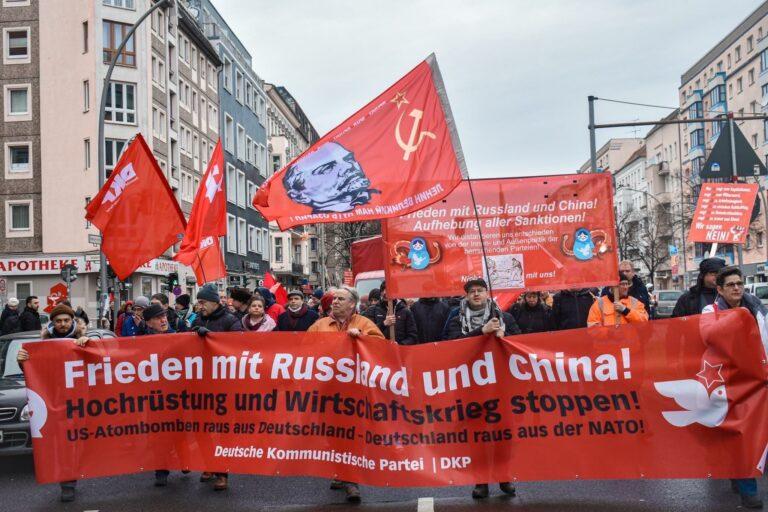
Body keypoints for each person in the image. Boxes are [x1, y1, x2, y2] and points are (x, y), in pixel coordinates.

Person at [442, 278, 519, 498]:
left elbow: (522, 343)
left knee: (503, 433)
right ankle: (481, 480)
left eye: (480, 291)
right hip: (471, 386)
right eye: (472, 291)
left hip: (502, 384)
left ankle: (504, 477)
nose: (476, 294)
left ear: (487, 293)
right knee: (478, 434)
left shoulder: (505, 318)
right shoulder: (455, 319)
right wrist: (481, 332)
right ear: (466, 296)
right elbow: (452, 347)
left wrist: (506, 338)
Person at [307, 285, 385, 503]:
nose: (335, 302)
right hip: (328, 390)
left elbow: (380, 346)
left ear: (352, 304)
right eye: (334, 299)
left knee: (353, 433)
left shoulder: (364, 323)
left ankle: (351, 479)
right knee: (333, 433)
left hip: (355, 392)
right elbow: (303, 351)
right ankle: (341, 471)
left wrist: (361, 338)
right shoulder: (319, 325)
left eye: (341, 299)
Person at [702, 266, 766, 509]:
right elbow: (707, 334)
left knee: (756, 434)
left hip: (757, 377)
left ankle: (739, 474)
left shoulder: (756, 308)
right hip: (729, 381)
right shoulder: (711, 310)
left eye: (739, 283)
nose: (737, 288)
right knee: (742, 436)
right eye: (731, 285)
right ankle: (747, 487)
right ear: (719, 289)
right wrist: (737, 318)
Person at [16, 304, 90, 502]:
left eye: (66, 320)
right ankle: (68, 483)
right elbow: (35, 373)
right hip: (55, 403)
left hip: (82, 402)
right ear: (53, 323)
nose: (63, 324)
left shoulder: (83, 340)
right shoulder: (43, 345)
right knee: (64, 444)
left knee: (80, 444)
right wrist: (23, 361)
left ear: (73, 321)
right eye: (58, 321)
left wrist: (89, 345)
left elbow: (100, 366)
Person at [192, 283, 244, 491]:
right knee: (201, 430)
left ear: (214, 302)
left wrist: (213, 338)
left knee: (222, 431)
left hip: (223, 386)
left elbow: (239, 348)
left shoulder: (231, 321)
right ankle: (209, 463)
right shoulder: (197, 320)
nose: (200, 306)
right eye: (199, 302)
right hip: (200, 385)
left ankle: (222, 472)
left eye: (203, 302)